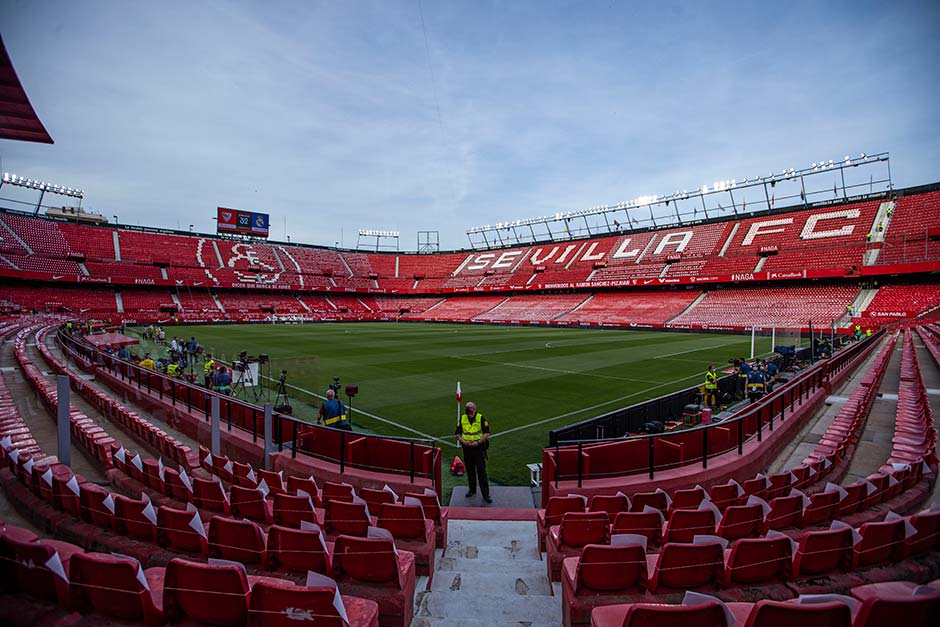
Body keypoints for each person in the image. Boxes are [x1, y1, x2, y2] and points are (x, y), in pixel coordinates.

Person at [455, 401, 491, 503]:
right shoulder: (462, 418)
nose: (467, 409)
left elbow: (487, 433)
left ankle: (486, 494)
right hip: (467, 449)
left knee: (481, 472)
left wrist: (478, 442)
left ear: (474, 409)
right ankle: (472, 490)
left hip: (478, 448)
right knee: (470, 470)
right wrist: (464, 442)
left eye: (469, 407)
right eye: (466, 407)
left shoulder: (481, 418)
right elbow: (457, 434)